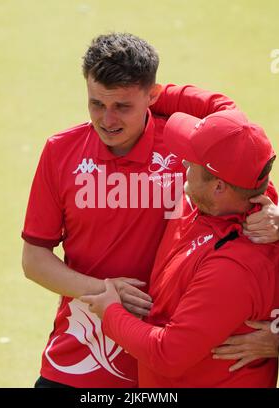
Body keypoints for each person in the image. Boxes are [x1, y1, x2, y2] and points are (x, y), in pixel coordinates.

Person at [22, 32, 278, 388]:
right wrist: (104, 290)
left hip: (168, 361)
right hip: (80, 353)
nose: (107, 121)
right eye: (96, 104)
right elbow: (34, 259)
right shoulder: (60, 151)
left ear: (152, 97)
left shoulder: (188, 155)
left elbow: (243, 158)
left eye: (123, 106)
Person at [81, 109, 279, 387]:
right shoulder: (234, 196)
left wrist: (110, 311)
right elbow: (227, 123)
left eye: (192, 161)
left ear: (219, 187)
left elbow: (168, 354)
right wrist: (149, 92)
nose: (182, 161)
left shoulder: (234, 269)